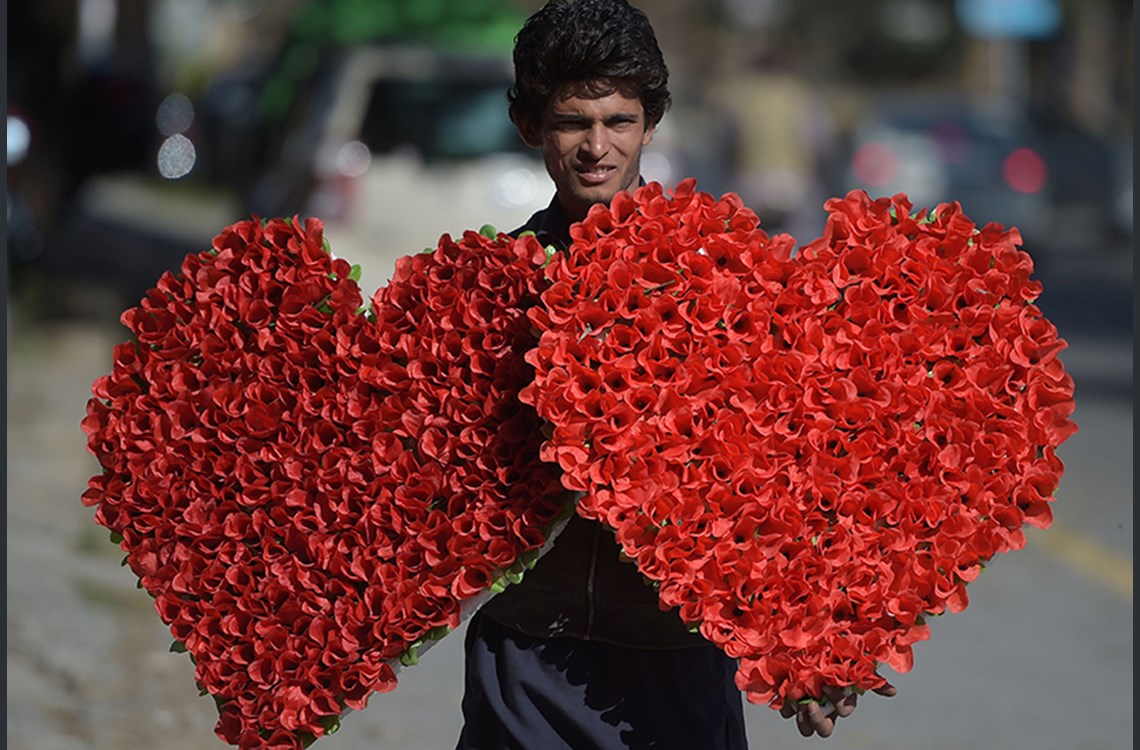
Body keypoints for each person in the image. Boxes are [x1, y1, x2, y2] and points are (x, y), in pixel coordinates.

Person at [456, 2, 895, 748]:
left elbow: (784, 475)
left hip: (675, 665)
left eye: (619, 121)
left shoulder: (721, 281)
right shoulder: (487, 293)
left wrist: (813, 648)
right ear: (532, 127)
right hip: (526, 659)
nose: (597, 147)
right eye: (571, 122)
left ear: (651, 124)